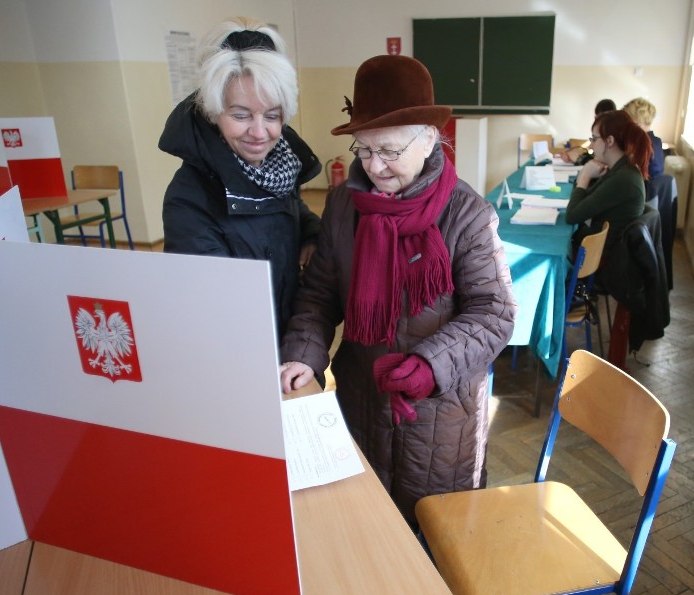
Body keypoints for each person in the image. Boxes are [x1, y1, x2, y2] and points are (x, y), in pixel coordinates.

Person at [278, 55, 517, 529]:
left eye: (389, 151)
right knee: (366, 526)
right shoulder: (345, 204)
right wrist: (304, 354)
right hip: (360, 399)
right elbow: (320, 291)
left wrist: (430, 363)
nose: (374, 166)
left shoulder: (467, 214)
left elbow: (495, 313)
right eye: (364, 150)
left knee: (431, 537)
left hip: (437, 416)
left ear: (429, 138)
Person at [158, 17, 321, 340]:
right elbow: (212, 306)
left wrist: (312, 235)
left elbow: (290, 213)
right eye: (241, 115)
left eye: (272, 116)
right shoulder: (189, 198)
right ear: (212, 112)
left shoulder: (279, 168)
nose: (260, 133)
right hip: (239, 348)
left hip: (287, 338)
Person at [566, 109, 654, 369]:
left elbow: (573, 214)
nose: (591, 145)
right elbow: (582, 205)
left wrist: (584, 177)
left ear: (610, 141)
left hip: (603, 266)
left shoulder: (623, 178)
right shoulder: (620, 171)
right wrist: (589, 179)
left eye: (594, 139)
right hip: (605, 257)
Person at [623, 97, 665, 199]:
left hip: (641, 195)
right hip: (650, 195)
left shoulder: (641, 143)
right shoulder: (656, 141)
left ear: (636, 121)